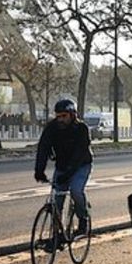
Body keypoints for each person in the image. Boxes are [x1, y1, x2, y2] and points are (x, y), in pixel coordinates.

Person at [34, 98, 94, 242]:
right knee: (57, 200)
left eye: (64, 116)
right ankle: (56, 235)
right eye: (58, 116)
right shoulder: (52, 128)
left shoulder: (81, 129)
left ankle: (83, 220)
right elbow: (43, 148)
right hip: (61, 165)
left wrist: (68, 174)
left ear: (72, 115)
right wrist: (39, 170)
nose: (60, 119)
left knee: (75, 190)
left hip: (81, 165)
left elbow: (79, 154)